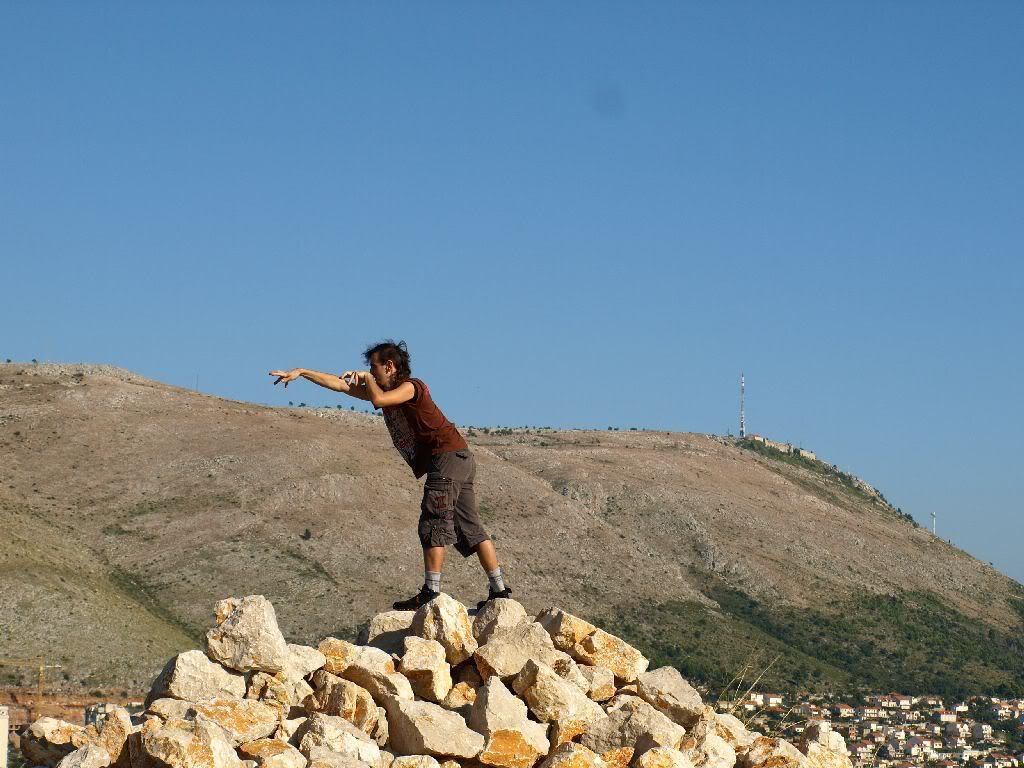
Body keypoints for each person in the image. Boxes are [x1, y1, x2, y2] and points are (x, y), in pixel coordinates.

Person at [270, 339, 511, 610]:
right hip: (458, 457)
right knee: (470, 527)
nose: (372, 374)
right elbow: (340, 385)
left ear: (389, 366)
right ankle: (499, 590)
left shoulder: (411, 387)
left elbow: (378, 400)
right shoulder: (388, 390)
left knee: (433, 519)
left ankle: (431, 592)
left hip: (447, 459)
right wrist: (302, 372)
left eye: (374, 368)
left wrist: (365, 379)